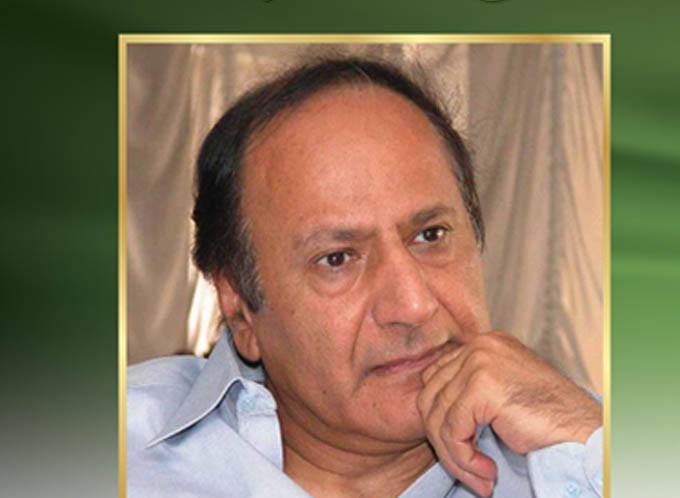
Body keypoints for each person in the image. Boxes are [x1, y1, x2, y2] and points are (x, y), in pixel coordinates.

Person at [127, 57, 603, 498]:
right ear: (240, 308)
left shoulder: (580, 447)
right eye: (337, 259)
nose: (413, 305)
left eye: (431, 235)